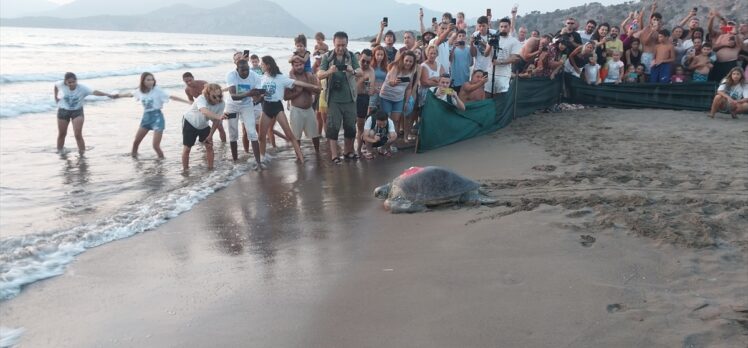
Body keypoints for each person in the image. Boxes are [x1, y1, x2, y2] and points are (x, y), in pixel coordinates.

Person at [258, 56, 320, 164]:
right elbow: (257, 92)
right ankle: (262, 159)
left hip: (277, 107)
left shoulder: (280, 77)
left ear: (268, 65)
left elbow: (297, 83)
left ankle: (301, 158)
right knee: (261, 136)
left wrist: (313, 86)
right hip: (266, 107)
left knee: (290, 134)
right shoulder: (262, 77)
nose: (260, 66)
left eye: (262, 64)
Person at [114, 72, 190, 158]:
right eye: (148, 80)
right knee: (136, 142)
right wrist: (117, 95)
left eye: (152, 79)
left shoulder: (157, 90)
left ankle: (162, 163)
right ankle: (134, 161)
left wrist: (187, 102)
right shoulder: (140, 91)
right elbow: (130, 94)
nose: (151, 82)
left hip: (157, 118)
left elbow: (171, 97)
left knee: (155, 146)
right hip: (146, 118)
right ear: (143, 81)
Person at [317, 31, 362, 164]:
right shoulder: (327, 56)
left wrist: (351, 70)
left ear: (347, 43)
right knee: (332, 127)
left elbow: (359, 72)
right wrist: (329, 71)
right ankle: (334, 155)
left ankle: (349, 151)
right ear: (333, 43)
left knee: (351, 127)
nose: (341, 48)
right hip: (334, 99)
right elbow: (319, 74)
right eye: (338, 45)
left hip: (350, 98)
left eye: (343, 45)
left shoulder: (352, 56)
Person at [53, 72, 115, 154]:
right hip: (63, 111)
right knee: (62, 134)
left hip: (77, 111)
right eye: (69, 82)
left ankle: (82, 154)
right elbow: (55, 86)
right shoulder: (61, 84)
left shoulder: (82, 88)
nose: (71, 84)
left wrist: (108, 94)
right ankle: (60, 152)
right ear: (65, 82)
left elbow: (95, 92)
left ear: (76, 81)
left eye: (73, 82)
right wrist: (56, 97)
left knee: (78, 134)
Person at [224, 60, 263, 167]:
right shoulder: (231, 75)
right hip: (232, 106)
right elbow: (233, 95)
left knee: (251, 132)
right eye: (243, 70)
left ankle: (258, 162)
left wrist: (258, 97)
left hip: (247, 105)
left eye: (247, 70)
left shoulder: (254, 76)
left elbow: (258, 94)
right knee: (233, 133)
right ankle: (235, 162)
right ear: (237, 69)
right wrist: (249, 93)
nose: (246, 72)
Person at [181, 83, 226, 171]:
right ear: (208, 95)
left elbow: (216, 122)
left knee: (209, 146)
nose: (217, 99)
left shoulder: (221, 103)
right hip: (190, 123)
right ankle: (185, 171)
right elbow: (204, 111)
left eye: (220, 96)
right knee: (187, 149)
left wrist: (210, 135)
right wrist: (219, 117)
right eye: (214, 96)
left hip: (203, 125)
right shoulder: (201, 98)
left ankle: (211, 169)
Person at [379, 51, 418, 141]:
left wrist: (406, 102)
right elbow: (391, 82)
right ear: (402, 60)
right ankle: (382, 141)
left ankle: (392, 142)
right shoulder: (396, 67)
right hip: (386, 96)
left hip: (399, 99)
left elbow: (409, 88)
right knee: (385, 120)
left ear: (413, 63)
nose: (408, 63)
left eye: (410, 61)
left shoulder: (412, 71)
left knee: (395, 121)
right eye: (406, 60)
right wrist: (394, 82)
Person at [286, 56, 321, 154]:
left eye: (300, 64)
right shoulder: (290, 78)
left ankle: (317, 152)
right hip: (296, 110)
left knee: (315, 134)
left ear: (304, 64)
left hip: (309, 109)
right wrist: (297, 92)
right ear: (292, 66)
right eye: (296, 65)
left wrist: (307, 87)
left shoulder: (309, 75)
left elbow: (318, 90)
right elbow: (285, 96)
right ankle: (298, 155)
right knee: (296, 135)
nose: (299, 67)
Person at [183, 71, 226, 143]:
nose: (189, 83)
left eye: (190, 80)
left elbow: (215, 92)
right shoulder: (187, 90)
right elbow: (191, 100)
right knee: (202, 127)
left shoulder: (203, 84)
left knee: (219, 127)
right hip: (202, 108)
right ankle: (204, 142)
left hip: (213, 107)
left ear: (193, 78)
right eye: (186, 82)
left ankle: (224, 144)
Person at [485, 17, 521, 97]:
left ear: (509, 27)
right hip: (490, 73)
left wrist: (500, 62)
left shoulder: (514, 41)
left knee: (500, 97)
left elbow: (514, 58)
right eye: (501, 27)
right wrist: (490, 45)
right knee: (487, 96)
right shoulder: (493, 38)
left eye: (505, 26)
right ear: (499, 27)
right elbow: (485, 54)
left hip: (503, 75)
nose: (503, 29)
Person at [355, 49, 376, 156]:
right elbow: (352, 88)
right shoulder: (355, 68)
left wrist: (369, 86)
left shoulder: (371, 71)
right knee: (348, 125)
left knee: (360, 126)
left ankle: (358, 149)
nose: (365, 64)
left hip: (363, 97)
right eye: (363, 61)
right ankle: (348, 149)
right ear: (360, 58)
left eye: (368, 62)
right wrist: (362, 79)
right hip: (351, 97)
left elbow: (371, 92)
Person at [368, 46, 389, 115]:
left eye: (381, 55)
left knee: (382, 112)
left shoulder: (387, 66)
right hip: (373, 91)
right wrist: (373, 88)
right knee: (371, 111)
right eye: (378, 54)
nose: (379, 57)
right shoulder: (370, 66)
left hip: (383, 91)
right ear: (374, 55)